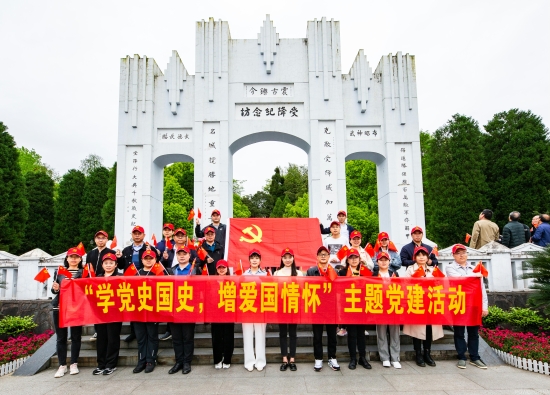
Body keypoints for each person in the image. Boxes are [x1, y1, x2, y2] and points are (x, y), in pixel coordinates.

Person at [446, 244, 489, 369]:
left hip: (473, 304)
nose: (461, 255)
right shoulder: (450, 268)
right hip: (458, 303)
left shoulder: (474, 269)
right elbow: (458, 280)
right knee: (459, 332)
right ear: (453, 255)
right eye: (458, 253)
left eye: (463, 252)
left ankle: (474, 357)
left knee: (473, 332)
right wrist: (474, 276)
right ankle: (461, 356)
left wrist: (484, 306)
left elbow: (482, 289)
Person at [403, 246, 444, 367]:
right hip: (417, 302)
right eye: (419, 255)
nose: (421, 257)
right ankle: (418, 354)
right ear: (415, 257)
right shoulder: (410, 270)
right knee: (417, 330)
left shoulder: (433, 270)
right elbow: (405, 285)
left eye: (424, 255)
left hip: (431, 304)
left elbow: (441, 283)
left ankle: (427, 353)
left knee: (429, 329)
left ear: (427, 257)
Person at [132, 250, 168, 374]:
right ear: (141, 260)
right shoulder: (136, 274)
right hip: (138, 310)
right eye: (146, 258)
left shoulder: (158, 273)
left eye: (151, 258)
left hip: (153, 310)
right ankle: (141, 361)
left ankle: (151, 360)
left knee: (152, 336)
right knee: (141, 337)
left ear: (155, 260)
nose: (148, 260)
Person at [159, 228, 198, 341]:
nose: (180, 237)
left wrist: (192, 267)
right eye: (178, 235)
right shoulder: (169, 250)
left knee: (187, 333)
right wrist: (164, 258)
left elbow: (198, 262)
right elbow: (163, 267)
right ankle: (169, 331)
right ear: (174, 237)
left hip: (188, 291)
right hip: (173, 289)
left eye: (182, 235)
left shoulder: (191, 250)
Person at [51, 246, 83, 378]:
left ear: (80, 259)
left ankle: (74, 363)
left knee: (76, 336)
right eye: (71, 257)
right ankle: (62, 365)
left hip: (77, 307)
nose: (74, 259)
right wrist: (56, 288)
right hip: (60, 306)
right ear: (67, 258)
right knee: (61, 337)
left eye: (76, 257)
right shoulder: (59, 272)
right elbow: (54, 291)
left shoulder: (84, 272)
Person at [307, 246, 340, 372]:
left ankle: (332, 357)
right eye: (320, 254)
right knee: (317, 335)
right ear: (317, 257)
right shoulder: (311, 271)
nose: (323, 256)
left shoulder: (335, 271)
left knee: (332, 335)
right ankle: (318, 359)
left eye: (325, 254)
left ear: (329, 256)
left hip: (331, 308)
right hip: (317, 307)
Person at [338, 248, 371, 370]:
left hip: (362, 306)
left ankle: (363, 357)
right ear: (347, 260)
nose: (353, 260)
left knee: (361, 334)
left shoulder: (365, 272)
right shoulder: (342, 273)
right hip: (349, 306)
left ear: (359, 259)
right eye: (351, 258)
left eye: (355, 257)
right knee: (351, 334)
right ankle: (353, 358)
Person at [168, 246, 196, 375]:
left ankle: (186, 362)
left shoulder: (195, 270)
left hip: (189, 308)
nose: (182, 256)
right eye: (179, 254)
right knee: (176, 337)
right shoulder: (172, 271)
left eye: (184, 254)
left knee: (187, 337)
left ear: (189, 256)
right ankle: (178, 361)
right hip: (174, 308)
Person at [93, 253, 123, 376]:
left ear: (116, 265)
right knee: (101, 339)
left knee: (113, 339)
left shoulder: (120, 277)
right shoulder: (97, 278)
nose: (109, 265)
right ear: (102, 265)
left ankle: (111, 364)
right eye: (106, 263)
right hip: (100, 313)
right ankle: (101, 364)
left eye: (111, 263)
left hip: (115, 313)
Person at [274, 248, 303, 371]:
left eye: (289, 257)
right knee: (282, 333)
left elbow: (301, 290)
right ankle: (284, 358)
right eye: (285, 257)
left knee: (292, 333)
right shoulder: (277, 273)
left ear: (293, 258)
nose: (287, 260)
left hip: (293, 305)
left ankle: (292, 359)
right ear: (281, 259)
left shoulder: (299, 273)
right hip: (281, 305)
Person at [373, 252, 401, 369]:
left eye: (386, 260)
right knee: (381, 333)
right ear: (377, 262)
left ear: (390, 261)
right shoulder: (373, 275)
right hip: (379, 307)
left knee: (395, 333)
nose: (383, 262)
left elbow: (400, 289)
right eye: (381, 260)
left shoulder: (394, 273)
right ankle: (384, 357)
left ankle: (395, 358)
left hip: (393, 306)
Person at [242, 249, 267, 371]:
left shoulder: (265, 274)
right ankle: (249, 361)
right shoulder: (243, 274)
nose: (254, 260)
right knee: (247, 335)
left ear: (260, 260)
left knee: (260, 335)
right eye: (252, 258)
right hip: (247, 307)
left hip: (260, 308)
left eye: (257, 258)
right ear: (249, 260)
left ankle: (260, 361)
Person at [211, 260, 235, 369]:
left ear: (227, 269)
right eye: (219, 267)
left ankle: (227, 359)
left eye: (224, 267)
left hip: (228, 312)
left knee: (228, 337)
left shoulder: (232, 281)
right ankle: (217, 359)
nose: (221, 269)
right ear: (216, 269)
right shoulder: (211, 281)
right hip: (215, 314)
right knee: (216, 338)